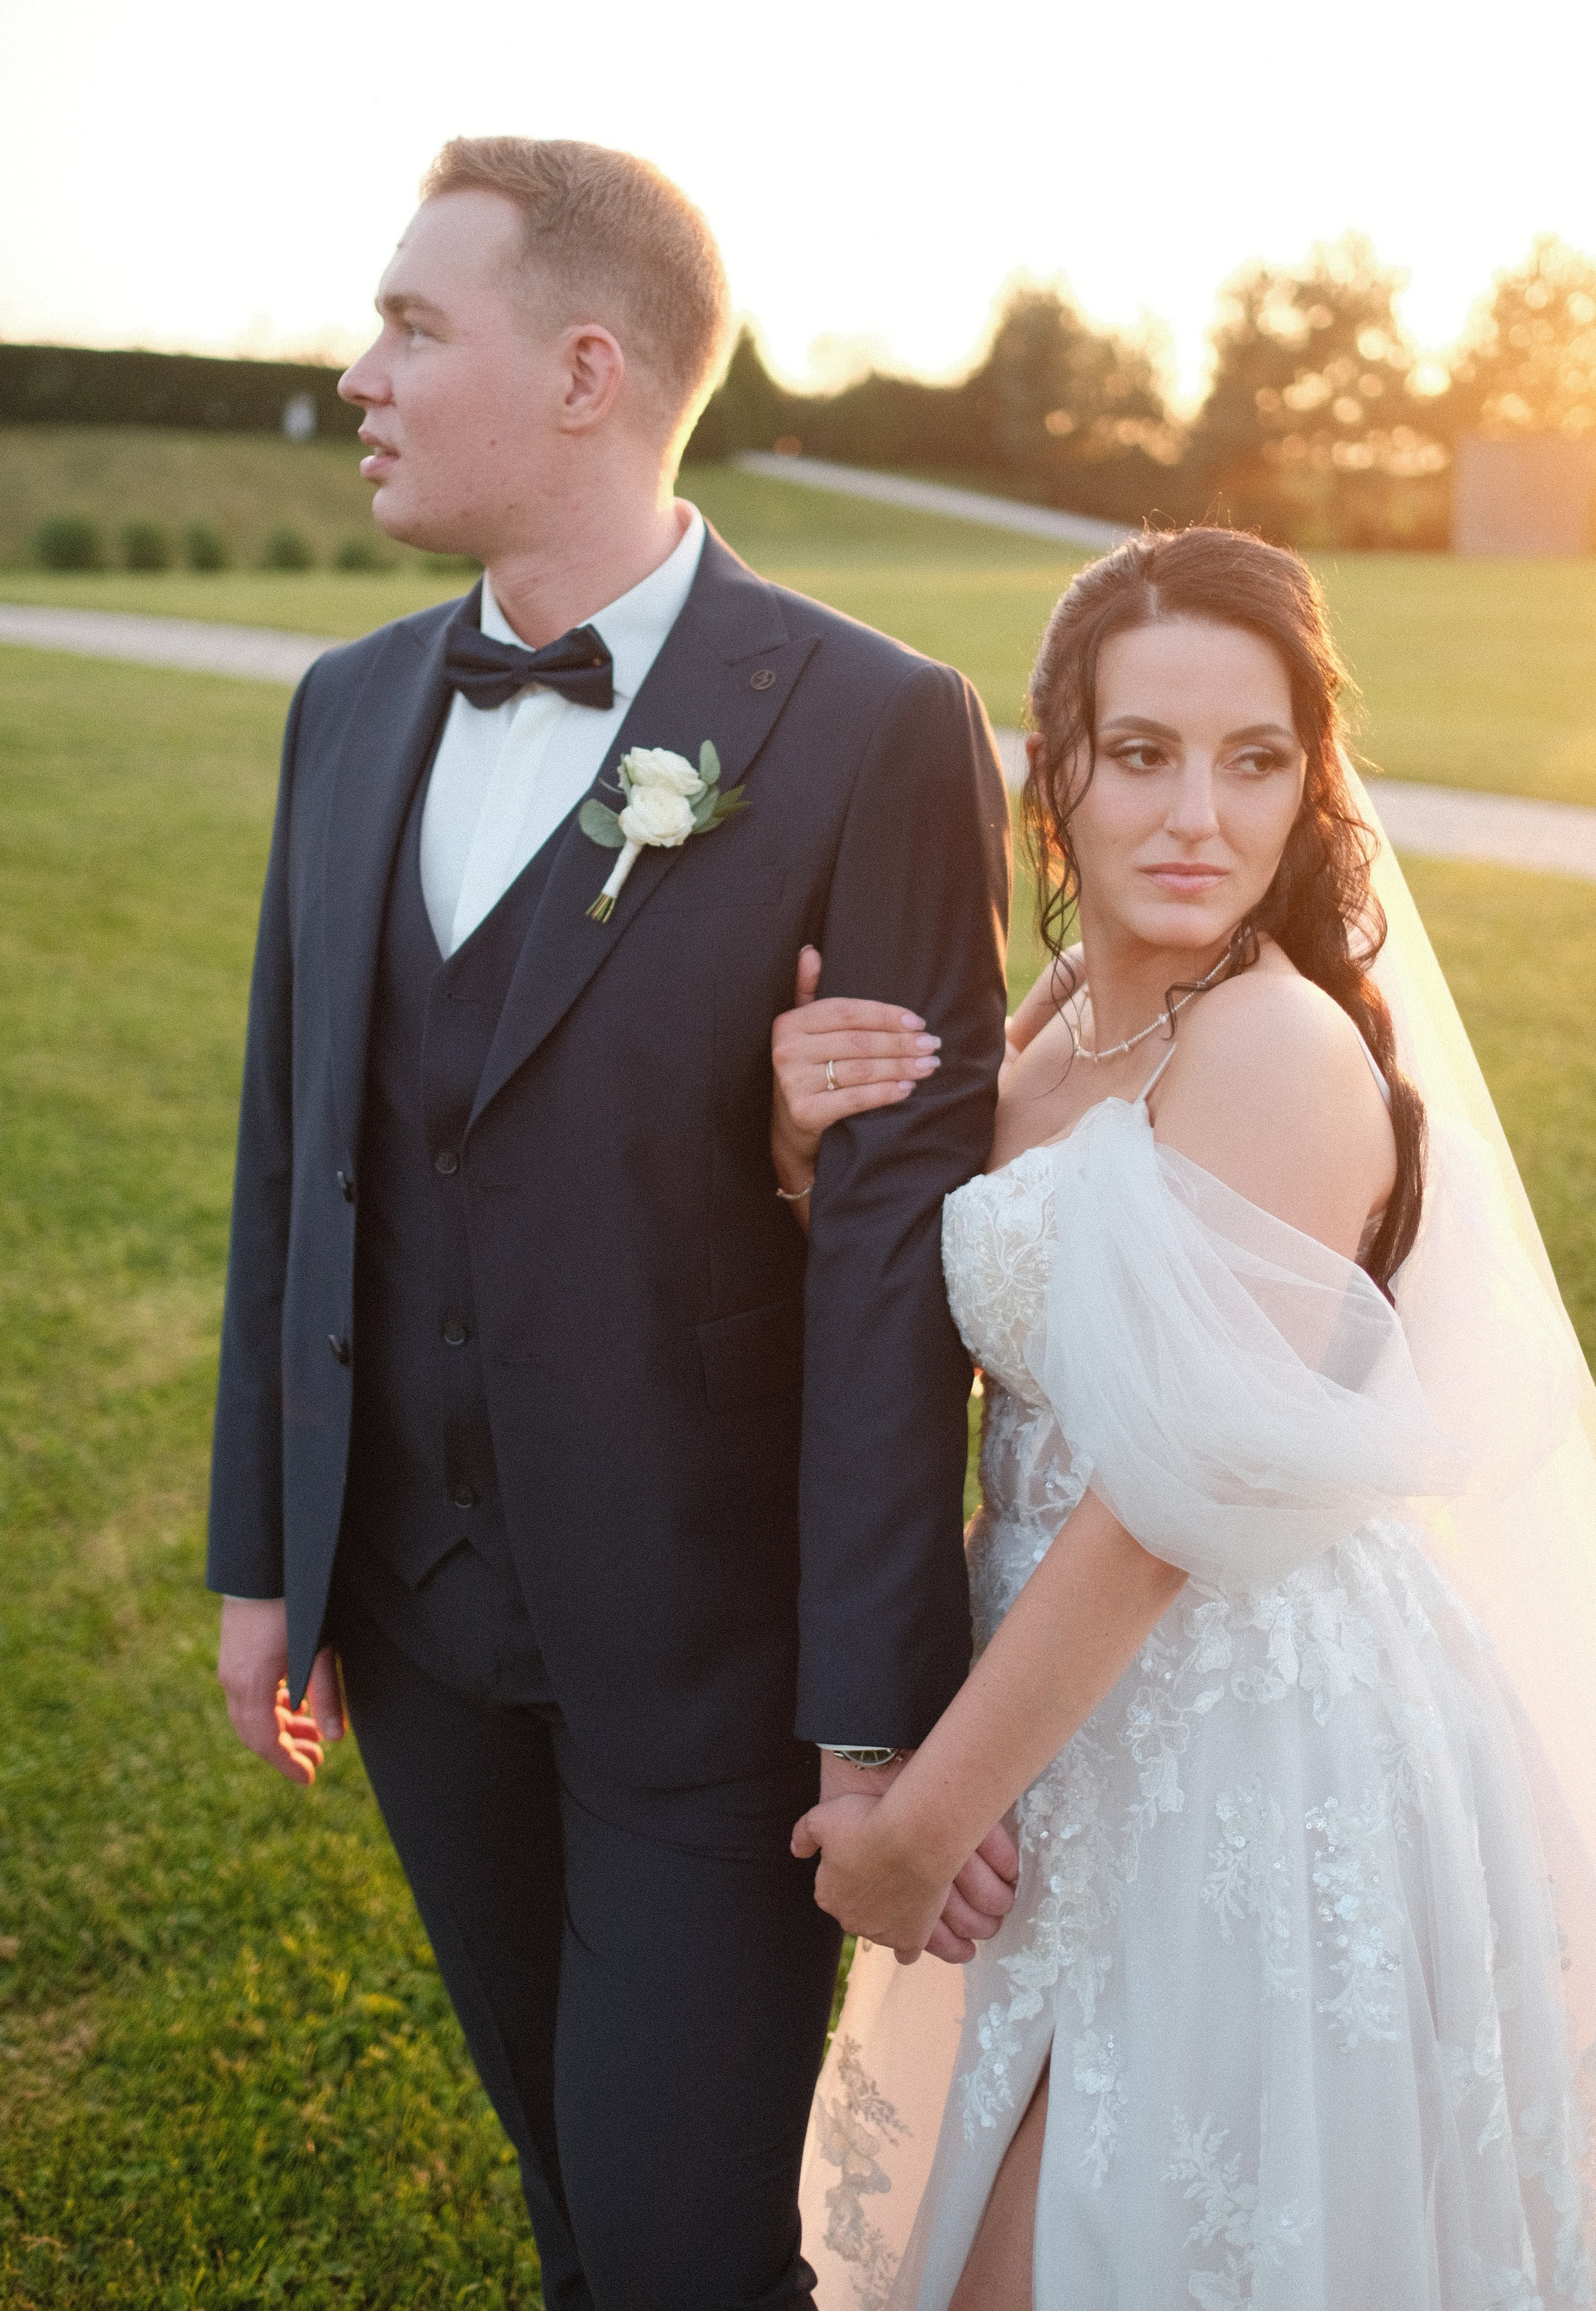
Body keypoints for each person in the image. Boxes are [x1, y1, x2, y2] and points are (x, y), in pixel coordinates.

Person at [205, 135, 1019, 2310]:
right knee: (581, 2200)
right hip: (419, 1615)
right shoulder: (346, 706)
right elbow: (297, 1154)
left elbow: (898, 1253)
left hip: (715, 1662)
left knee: (674, 2248)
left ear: (584, 370)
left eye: (409, 323)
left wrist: (873, 1717)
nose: (360, 370)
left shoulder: (874, 730)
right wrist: (266, 1551)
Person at [770, 526, 1596, 2308]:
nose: (1199, 815)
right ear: (1058, 779)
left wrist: (922, 1815)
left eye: (1257, 760)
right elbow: (960, 1291)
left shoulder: (1274, 1049)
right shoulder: (1065, 1026)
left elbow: (1166, 1508)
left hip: (1250, 1742)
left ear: (1310, 785)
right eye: (1145, 753)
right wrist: (807, 1148)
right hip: (1062, 1713)